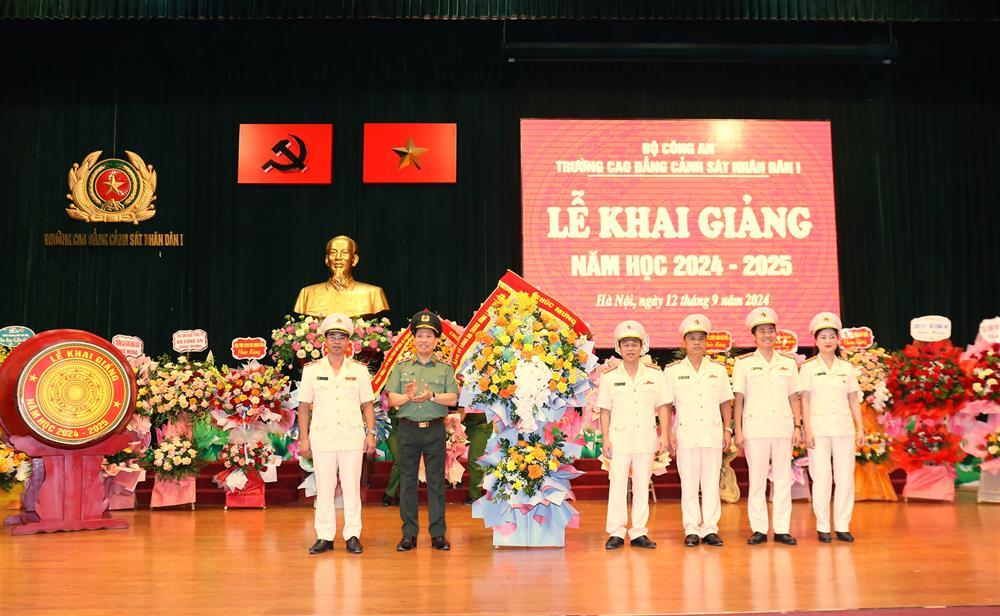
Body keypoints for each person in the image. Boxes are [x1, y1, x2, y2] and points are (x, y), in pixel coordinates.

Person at [297, 313, 377, 555]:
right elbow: (303, 407)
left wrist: (370, 433)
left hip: (351, 437)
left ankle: (352, 534)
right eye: (332, 336)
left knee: (352, 487)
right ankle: (324, 536)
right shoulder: (312, 370)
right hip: (323, 436)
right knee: (324, 487)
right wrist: (304, 437)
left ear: (348, 342)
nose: (337, 341)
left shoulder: (360, 370)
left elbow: (368, 404)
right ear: (325, 340)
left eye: (341, 337)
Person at [385, 310, 459, 551]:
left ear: (436, 340)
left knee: (437, 483)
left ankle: (438, 534)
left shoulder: (445, 369)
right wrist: (407, 397)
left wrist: (432, 396)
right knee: (407, 483)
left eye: (429, 336)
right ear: (413, 339)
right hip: (407, 431)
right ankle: (409, 534)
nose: (424, 340)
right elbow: (392, 399)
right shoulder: (401, 368)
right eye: (420, 335)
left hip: (434, 431)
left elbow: (453, 399)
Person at [733, 308, 804, 546]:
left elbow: (794, 397)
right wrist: (739, 431)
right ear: (753, 336)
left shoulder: (787, 363)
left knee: (783, 479)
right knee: (757, 479)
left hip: (783, 427)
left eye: (770, 331)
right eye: (761, 331)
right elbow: (739, 399)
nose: (767, 335)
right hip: (755, 428)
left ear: (776, 334)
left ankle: (782, 528)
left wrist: (797, 425)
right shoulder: (743, 363)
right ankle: (759, 528)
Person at [597, 320, 670, 550]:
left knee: (641, 484)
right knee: (617, 484)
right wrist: (605, 438)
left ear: (642, 346)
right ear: (618, 348)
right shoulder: (609, 377)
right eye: (625, 344)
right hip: (619, 438)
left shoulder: (655, 375)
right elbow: (605, 411)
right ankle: (616, 532)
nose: (630, 348)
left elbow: (664, 407)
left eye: (634, 344)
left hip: (646, 437)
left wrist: (664, 434)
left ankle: (639, 532)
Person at [664, 314, 734, 548]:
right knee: (690, 484)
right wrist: (668, 432)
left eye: (700, 339)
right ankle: (692, 528)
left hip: (713, 433)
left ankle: (711, 528)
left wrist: (727, 429)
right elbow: (666, 404)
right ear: (684, 342)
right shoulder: (673, 371)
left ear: (706, 343)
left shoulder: (718, 370)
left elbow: (725, 402)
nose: (696, 343)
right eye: (692, 338)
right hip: (686, 434)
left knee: (712, 482)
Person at [800, 312, 865, 543]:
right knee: (821, 477)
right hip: (818, 429)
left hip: (844, 428)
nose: (828, 340)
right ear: (816, 341)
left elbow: (853, 400)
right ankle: (823, 525)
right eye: (823, 336)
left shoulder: (846, 368)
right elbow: (805, 400)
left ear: (838, 340)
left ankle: (842, 524)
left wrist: (861, 428)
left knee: (845, 477)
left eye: (832, 336)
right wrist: (806, 429)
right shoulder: (808, 368)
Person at [294, 235, 390, 318]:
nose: (338, 257)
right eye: (333, 252)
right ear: (327, 260)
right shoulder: (307, 293)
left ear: (354, 260)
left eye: (344, 252)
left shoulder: (373, 294)